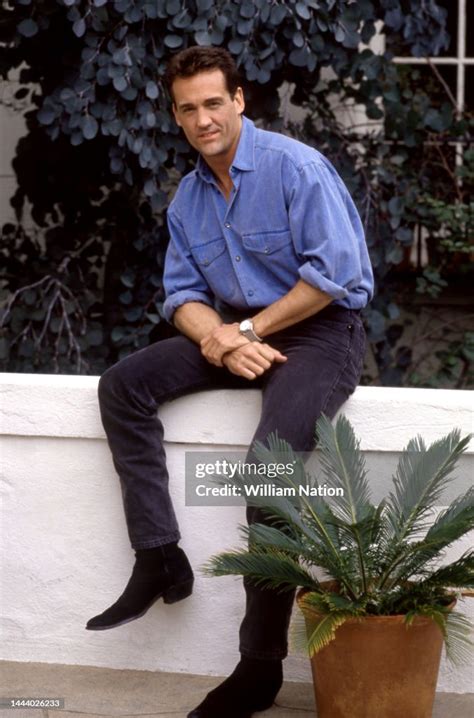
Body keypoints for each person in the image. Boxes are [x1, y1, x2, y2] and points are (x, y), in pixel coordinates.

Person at [86, 46, 373, 718]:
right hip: (237, 334)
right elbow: (182, 295)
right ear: (177, 116)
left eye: (214, 102)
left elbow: (336, 277)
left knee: (267, 468)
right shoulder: (188, 197)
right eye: (188, 108)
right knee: (122, 386)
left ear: (240, 100)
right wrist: (217, 336)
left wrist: (244, 333)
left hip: (318, 333)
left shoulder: (294, 166)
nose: (202, 118)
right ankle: (159, 557)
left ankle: (260, 664)